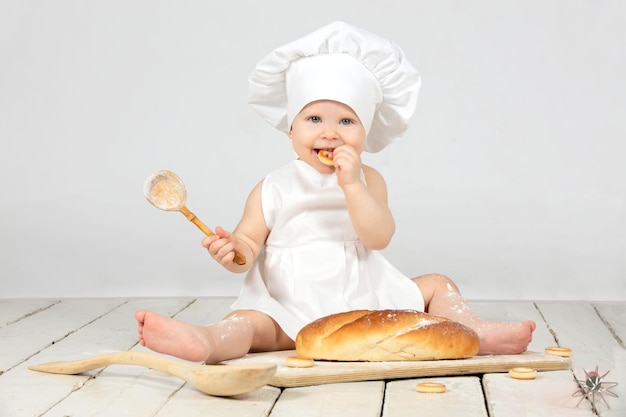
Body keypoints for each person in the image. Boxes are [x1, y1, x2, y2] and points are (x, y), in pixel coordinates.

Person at [136, 21, 535, 363]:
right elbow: (248, 246)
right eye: (313, 118)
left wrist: (352, 185)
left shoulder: (369, 179)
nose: (329, 132)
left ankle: (475, 332)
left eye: (346, 120)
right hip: (288, 300)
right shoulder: (271, 186)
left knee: (437, 284)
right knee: (250, 325)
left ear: (365, 132)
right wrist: (232, 252)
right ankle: (206, 341)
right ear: (291, 129)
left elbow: (378, 238)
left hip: (361, 298)